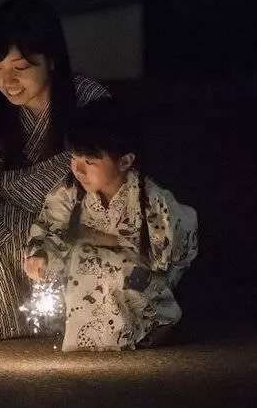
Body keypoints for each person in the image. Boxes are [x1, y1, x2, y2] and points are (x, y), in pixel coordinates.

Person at [0, 0, 109, 340]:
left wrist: (10, 188)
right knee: (14, 226)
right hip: (9, 239)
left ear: (51, 60)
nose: (7, 81)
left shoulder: (90, 101)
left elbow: (108, 177)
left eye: (21, 67)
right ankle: (15, 318)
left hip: (82, 229)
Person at [23, 98, 199, 350]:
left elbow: (164, 252)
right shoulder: (68, 193)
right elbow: (51, 227)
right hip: (86, 275)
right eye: (74, 158)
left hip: (136, 277)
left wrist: (106, 239)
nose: (79, 170)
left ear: (125, 161)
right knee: (78, 257)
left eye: (90, 162)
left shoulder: (149, 199)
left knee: (105, 263)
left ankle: (156, 322)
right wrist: (40, 255)